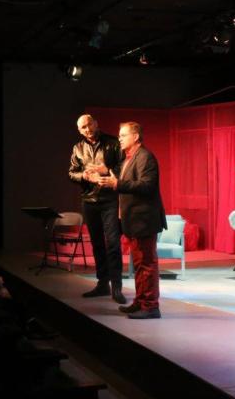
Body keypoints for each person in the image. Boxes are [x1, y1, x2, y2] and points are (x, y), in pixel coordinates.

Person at [100, 121, 166, 319]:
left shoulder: (145, 156)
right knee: (139, 266)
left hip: (143, 221)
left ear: (135, 136)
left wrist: (117, 183)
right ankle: (140, 301)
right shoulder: (129, 158)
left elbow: (147, 186)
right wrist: (106, 177)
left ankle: (150, 306)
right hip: (134, 221)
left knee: (146, 265)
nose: (119, 139)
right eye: (119, 135)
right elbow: (124, 182)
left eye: (123, 135)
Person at [68, 114, 125, 302]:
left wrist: (106, 169)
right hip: (89, 200)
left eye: (89, 125)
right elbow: (71, 173)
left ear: (96, 123)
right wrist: (84, 176)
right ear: (79, 131)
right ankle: (102, 284)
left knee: (113, 243)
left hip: (110, 199)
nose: (87, 129)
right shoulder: (77, 148)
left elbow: (125, 166)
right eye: (83, 127)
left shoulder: (113, 143)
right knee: (97, 244)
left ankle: (117, 287)